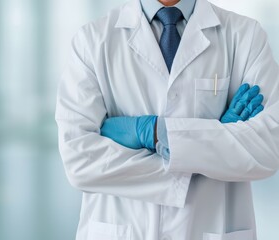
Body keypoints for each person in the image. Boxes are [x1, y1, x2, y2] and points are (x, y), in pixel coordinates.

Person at [55, 0, 279, 239]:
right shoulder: (92, 40)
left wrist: (154, 132)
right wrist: (213, 143)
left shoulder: (245, 36)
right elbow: (79, 160)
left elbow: (269, 147)